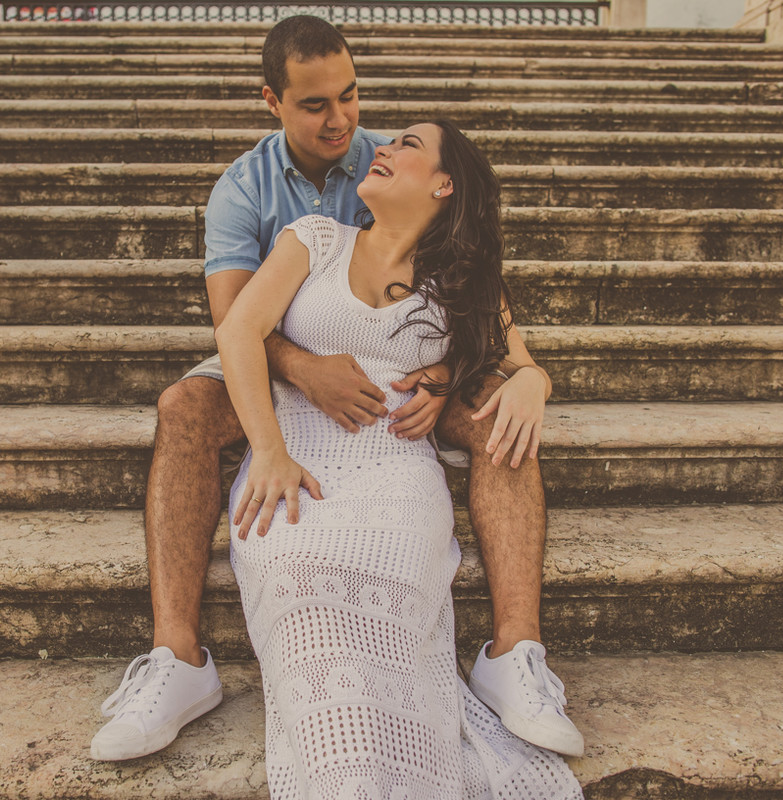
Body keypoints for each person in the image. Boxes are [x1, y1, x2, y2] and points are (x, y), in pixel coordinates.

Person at [90, 15, 582, 763]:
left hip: (399, 389)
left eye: (350, 97)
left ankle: (514, 652)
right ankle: (176, 658)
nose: (343, 121)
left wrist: (476, 377)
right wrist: (302, 374)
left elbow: (468, 291)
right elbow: (234, 325)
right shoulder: (243, 191)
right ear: (273, 101)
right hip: (281, 359)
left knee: (499, 421)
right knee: (183, 405)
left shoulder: (390, 160)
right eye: (316, 104)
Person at [218, 120, 582, 798]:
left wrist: (532, 382)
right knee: (292, 573)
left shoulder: (462, 280)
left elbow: (522, 364)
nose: (383, 146)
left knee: (393, 576)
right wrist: (266, 450)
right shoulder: (315, 240)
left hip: (398, 471)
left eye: (408, 145)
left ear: (444, 184)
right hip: (296, 460)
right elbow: (239, 326)